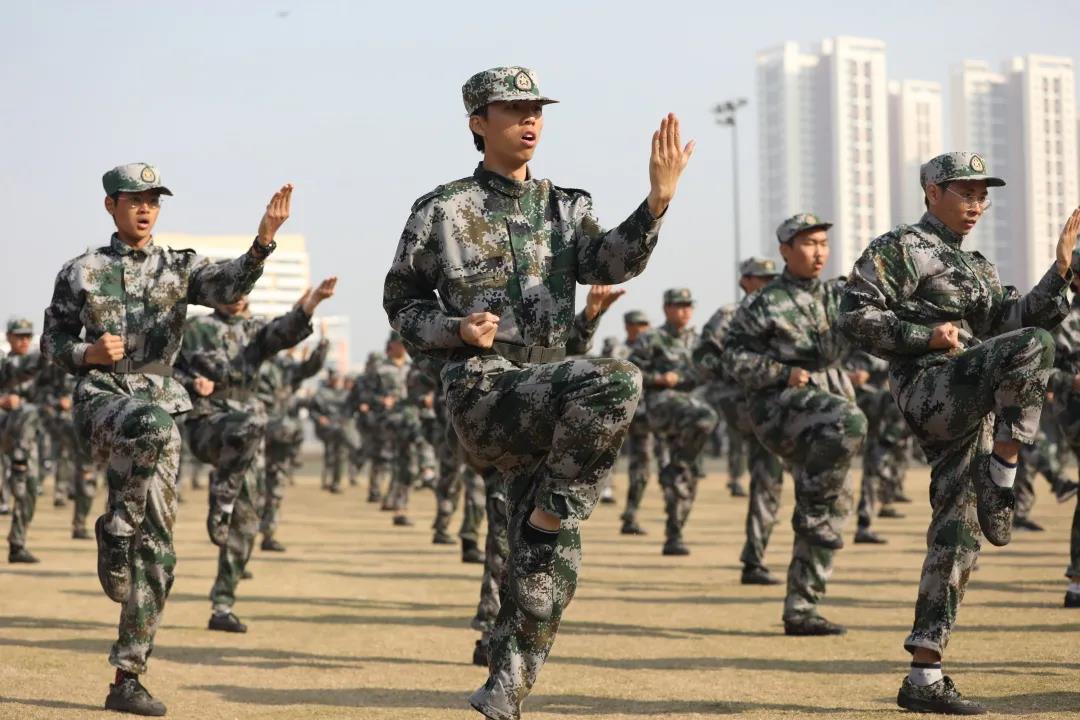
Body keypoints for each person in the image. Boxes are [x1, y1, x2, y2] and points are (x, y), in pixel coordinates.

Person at [383, 66, 692, 720]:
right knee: (617, 378)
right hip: (486, 389)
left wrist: (657, 201)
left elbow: (611, 262)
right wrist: (454, 328)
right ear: (478, 122)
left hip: (552, 394)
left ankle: (504, 689)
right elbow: (401, 303)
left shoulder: (566, 207)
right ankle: (551, 514)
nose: (530, 121)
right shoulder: (442, 210)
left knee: (550, 567)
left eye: (537, 110)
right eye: (513, 110)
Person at [41, 163, 290, 716]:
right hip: (103, 401)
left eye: (153, 200)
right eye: (134, 199)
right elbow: (52, 341)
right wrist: (86, 353)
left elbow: (227, 287)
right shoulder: (81, 271)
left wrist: (262, 243)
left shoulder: (180, 267)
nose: (145, 209)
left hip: (161, 405)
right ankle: (116, 527)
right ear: (111, 205)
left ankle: (127, 676)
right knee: (150, 423)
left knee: (160, 552)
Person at [839, 151, 1080, 714]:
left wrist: (1062, 269)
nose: (977, 204)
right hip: (930, 387)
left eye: (982, 196)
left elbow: (1018, 322)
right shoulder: (901, 247)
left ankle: (924, 675)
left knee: (958, 535)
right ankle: (1005, 473)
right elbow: (854, 316)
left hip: (972, 397)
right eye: (965, 192)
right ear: (932, 192)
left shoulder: (976, 266)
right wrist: (925, 335)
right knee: (1037, 348)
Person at [723, 214, 867, 636]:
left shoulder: (839, 294)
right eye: (808, 243)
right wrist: (781, 372)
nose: (818, 251)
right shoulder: (764, 302)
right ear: (785, 251)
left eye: (823, 243)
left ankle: (802, 608)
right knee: (849, 422)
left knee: (834, 501)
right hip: (781, 406)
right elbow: (732, 357)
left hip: (831, 401)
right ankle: (810, 511)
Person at [178, 280, 336, 634]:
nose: (237, 297)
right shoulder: (194, 329)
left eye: (243, 291)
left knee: (247, 523)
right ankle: (222, 495)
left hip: (248, 438)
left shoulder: (255, 330)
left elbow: (285, 331)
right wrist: (191, 383)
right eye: (230, 290)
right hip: (208, 425)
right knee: (253, 421)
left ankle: (222, 605)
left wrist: (311, 303)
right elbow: (165, 367)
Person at [695, 257, 786, 584]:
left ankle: (756, 557)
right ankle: (755, 559)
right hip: (743, 401)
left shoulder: (781, 313)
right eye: (760, 278)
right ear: (745, 281)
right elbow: (703, 357)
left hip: (778, 399)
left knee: (772, 476)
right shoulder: (730, 314)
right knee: (768, 471)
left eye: (771, 278)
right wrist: (737, 371)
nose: (767, 283)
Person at [629, 289, 719, 556]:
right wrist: (658, 379)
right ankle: (678, 465)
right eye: (679, 306)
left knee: (686, 476)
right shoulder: (651, 338)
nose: (684, 311)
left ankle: (674, 533)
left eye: (688, 306)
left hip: (690, 408)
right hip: (663, 405)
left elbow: (707, 372)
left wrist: (687, 377)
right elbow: (631, 372)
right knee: (706, 416)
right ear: (666, 308)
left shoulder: (698, 341)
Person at [1, 318, 45, 563]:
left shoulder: (38, 367)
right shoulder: (3, 362)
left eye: (28, 336)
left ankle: (17, 545)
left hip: (26, 438)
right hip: (4, 425)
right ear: (9, 337)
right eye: (19, 336)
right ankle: (17, 466)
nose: (24, 340)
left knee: (30, 487)